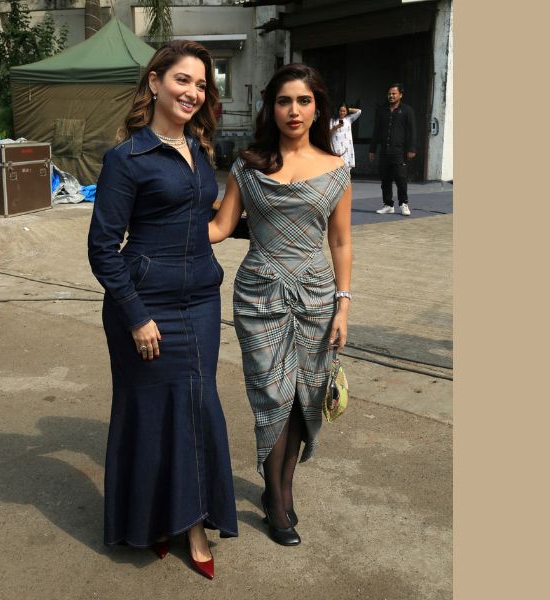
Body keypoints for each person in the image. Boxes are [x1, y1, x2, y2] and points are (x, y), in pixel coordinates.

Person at [87, 40, 238, 580]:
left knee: (197, 405)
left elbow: (203, 221)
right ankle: (153, 521)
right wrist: (136, 315)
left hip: (201, 300)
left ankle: (192, 523)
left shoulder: (198, 150)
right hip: (146, 303)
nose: (193, 92)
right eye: (183, 80)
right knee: (149, 412)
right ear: (155, 83)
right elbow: (102, 247)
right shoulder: (126, 158)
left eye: (201, 84)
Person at [209, 64, 352, 546]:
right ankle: (275, 498)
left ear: (317, 108)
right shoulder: (248, 166)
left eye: (304, 101)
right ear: (270, 108)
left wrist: (343, 305)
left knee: (303, 396)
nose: (294, 110)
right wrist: (158, 226)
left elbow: (340, 242)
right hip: (260, 294)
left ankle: (281, 489)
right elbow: (221, 227)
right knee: (272, 394)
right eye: (284, 101)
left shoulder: (337, 170)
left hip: (316, 297)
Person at [369, 83, 417, 215]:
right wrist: (372, 149)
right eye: (389, 93)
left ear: (400, 95)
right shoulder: (382, 110)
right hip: (385, 150)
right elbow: (376, 131)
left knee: (401, 178)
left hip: (399, 151)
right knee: (385, 179)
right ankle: (388, 205)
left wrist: (412, 148)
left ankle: (403, 203)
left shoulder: (407, 110)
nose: (391, 96)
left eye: (394, 93)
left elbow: (412, 131)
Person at [329, 103, 362, 170]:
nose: (342, 112)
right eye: (340, 110)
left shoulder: (349, 119)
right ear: (338, 111)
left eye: (344, 111)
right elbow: (328, 133)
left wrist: (348, 109)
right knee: (336, 169)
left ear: (347, 112)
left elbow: (359, 111)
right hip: (336, 147)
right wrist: (336, 127)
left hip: (347, 148)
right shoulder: (332, 120)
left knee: (346, 169)